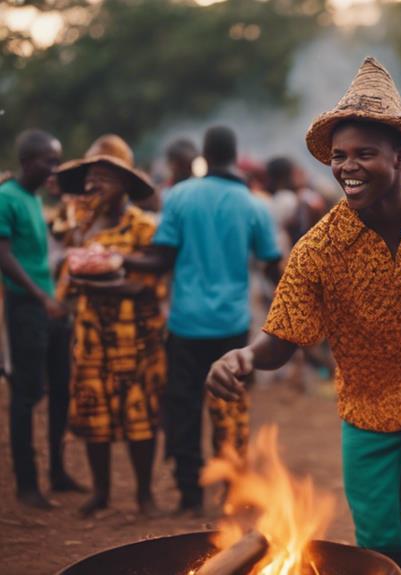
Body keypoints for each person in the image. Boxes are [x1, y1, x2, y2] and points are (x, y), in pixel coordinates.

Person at [206, 57, 401, 575]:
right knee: (376, 528)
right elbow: (282, 338)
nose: (347, 166)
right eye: (340, 156)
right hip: (366, 398)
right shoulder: (317, 249)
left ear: (400, 156)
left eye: (364, 153)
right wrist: (244, 356)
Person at [127, 125, 281, 516]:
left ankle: (190, 496)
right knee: (230, 410)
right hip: (232, 326)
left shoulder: (178, 196)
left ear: (204, 156)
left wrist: (117, 261)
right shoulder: (253, 205)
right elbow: (272, 265)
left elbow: (161, 260)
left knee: (183, 410)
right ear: (234, 154)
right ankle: (231, 493)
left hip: (185, 324)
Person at [54, 135, 166, 517]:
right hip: (89, 335)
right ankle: (101, 493)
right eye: (90, 176)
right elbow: (67, 268)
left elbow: (152, 287)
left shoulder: (142, 227)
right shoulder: (80, 225)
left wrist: (113, 271)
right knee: (92, 411)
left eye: (102, 177)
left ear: (125, 184)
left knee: (140, 415)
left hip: (134, 336)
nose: (93, 184)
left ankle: (144, 495)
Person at [0, 129, 85, 509]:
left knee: (60, 390)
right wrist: (38, 297)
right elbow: (3, 256)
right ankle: (28, 484)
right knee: (27, 394)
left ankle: (58, 472)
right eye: (51, 161)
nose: (56, 169)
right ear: (29, 161)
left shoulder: (34, 199)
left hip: (49, 306)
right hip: (26, 308)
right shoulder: (6, 198)